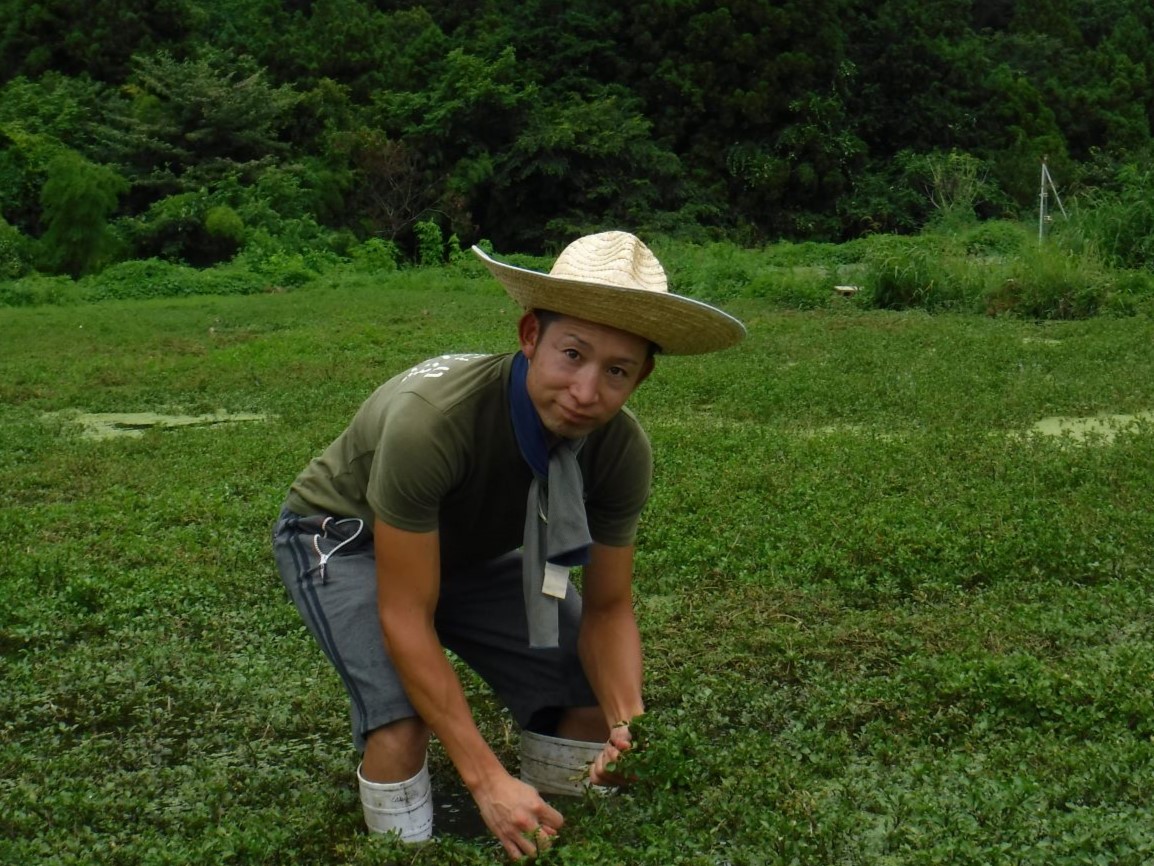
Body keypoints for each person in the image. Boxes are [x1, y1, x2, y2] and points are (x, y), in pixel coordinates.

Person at [271, 231, 745, 859]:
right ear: (530, 336)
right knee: (400, 722)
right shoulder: (433, 421)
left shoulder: (621, 452)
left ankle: (545, 822)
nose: (585, 392)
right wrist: (486, 777)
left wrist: (629, 722)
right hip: (343, 536)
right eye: (572, 354)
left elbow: (608, 609)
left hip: (471, 550)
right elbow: (405, 612)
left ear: (643, 377)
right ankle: (409, 846)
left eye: (617, 371)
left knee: (583, 697)